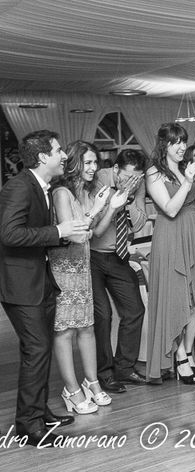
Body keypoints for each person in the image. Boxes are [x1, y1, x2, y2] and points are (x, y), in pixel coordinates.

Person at [0, 130, 89, 446]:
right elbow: (9, 234)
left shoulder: (42, 187)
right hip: (21, 285)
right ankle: (28, 426)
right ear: (42, 158)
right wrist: (58, 230)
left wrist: (64, 234)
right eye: (58, 150)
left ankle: (38, 412)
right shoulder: (19, 187)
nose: (64, 156)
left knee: (39, 349)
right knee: (36, 350)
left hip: (39, 281)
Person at [50, 141, 123, 414]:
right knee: (66, 330)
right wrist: (96, 209)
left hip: (82, 267)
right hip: (63, 270)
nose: (93, 168)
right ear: (74, 163)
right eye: (88, 163)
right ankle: (71, 390)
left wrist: (111, 207)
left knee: (88, 328)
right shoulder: (61, 193)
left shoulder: (87, 193)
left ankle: (92, 382)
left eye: (95, 162)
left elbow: (95, 232)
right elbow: (73, 234)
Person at [145, 123, 195, 385]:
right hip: (172, 238)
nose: (180, 147)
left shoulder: (187, 168)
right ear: (164, 145)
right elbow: (170, 209)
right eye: (175, 142)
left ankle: (187, 352)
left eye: (183, 141)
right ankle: (178, 357)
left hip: (193, 236)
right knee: (178, 299)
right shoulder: (154, 173)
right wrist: (187, 181)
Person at [90, 148, 148, 393]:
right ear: (115, 170)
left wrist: (132, 196)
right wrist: (119, 193)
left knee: (135, 309)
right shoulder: (100, 177)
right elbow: (96, 217)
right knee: (103, 316)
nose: (132, 181)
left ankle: (124, 367)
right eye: (127, 177)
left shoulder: (137, 184)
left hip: (119, 256)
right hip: (92, 255)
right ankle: (104, 374)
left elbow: (138, 223)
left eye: (137, 178)